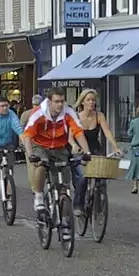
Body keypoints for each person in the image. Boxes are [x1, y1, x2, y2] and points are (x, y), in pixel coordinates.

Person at [21, 90, 90, 218]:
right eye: (56, 102)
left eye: (62, 101)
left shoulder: (68, 112)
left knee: (64, 185)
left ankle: (64, 223)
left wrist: (87, 152)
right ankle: (39, 196)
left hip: (59, 147)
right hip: (39, 144)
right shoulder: (39, 113)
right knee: (42, 163)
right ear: (49, 101)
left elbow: (78, 132)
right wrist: (31, 155)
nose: (60, 105)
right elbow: (27, 135)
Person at [72, 89, 120, 213]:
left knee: (102, 177)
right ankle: (78, 205)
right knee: (83, 177)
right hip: (80, 152)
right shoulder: (76, 117)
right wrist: (74, 145)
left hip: (95, 149)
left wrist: (115, 146)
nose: (91, 102)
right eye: (88, 100)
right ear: (82, 102)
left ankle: (98, 202)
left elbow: (107, 132)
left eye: (93, 100)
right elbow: (69, 136)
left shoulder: (99, 115)